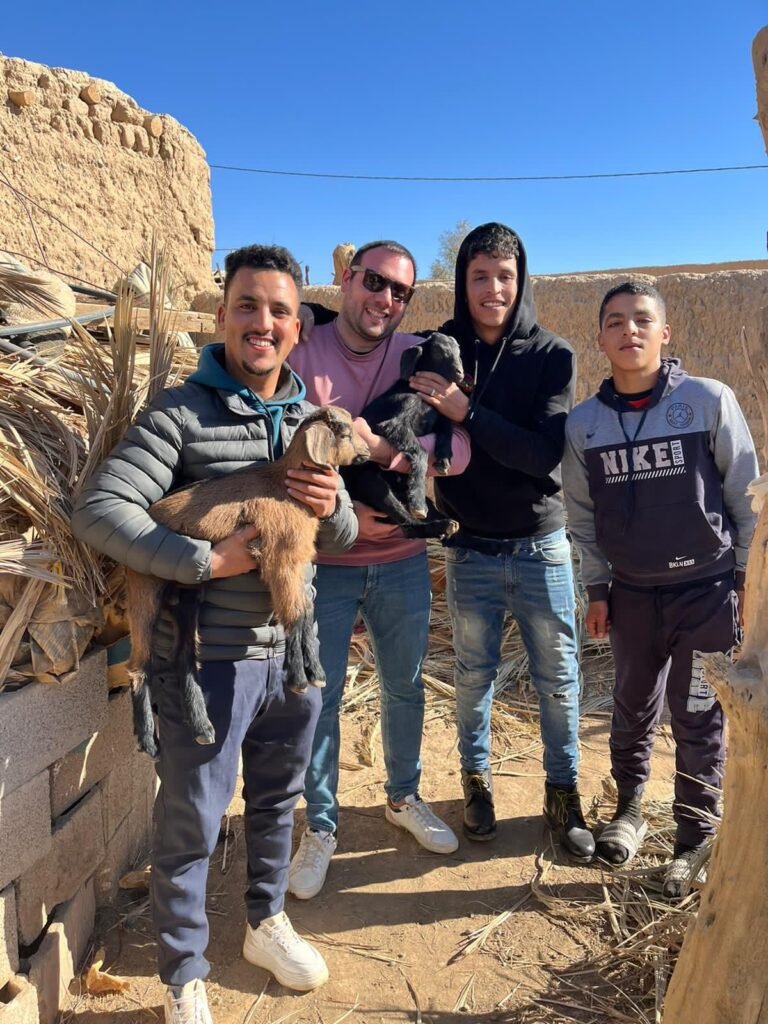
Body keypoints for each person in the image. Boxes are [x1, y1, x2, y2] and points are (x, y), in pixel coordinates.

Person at [71, 244, 359, 1022]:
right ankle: (183, 973)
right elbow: (99, 510)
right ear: (223, 315)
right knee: (193, 819)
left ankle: (266, 923)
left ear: (297, 328)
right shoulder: (179, 415)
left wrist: (333, 506)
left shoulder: (308, 421)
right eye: (247, 306)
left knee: (276, 801)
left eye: (278, 311)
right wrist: (206, 560)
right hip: (207, 662)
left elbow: (339, 536)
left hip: (292, 658)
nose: (263, 323)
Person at [562, 279, 758, 896]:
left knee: (698, 715)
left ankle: (693, 838)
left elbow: (745, 496)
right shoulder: (584, 425)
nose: (630, 330)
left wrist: (748, 581)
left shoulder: (707, 400)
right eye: (615, 321)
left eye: (642, 319)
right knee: (631, 708)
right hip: (632, 597)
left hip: (707, 593)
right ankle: (629, 810)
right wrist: (597, 589)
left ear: (665, 333)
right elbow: (582, 516)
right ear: (600, 339)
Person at [287, 240, 469, 900]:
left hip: (401, 561)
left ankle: (403, 797)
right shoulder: (301, 346)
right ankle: (321, 825)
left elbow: (459, 449)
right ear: (345, 277)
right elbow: (282, 439)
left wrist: (386, 454)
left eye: (400, 291)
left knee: (406, 686)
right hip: (325, 562)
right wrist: (344, 517)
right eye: (373, 281)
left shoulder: (420, 355)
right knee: (321, 696)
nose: (384, 299)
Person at [407, 222, 594, 860]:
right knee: (472, 677)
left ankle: (563, 792)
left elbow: (541, 456)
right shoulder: (441, 348)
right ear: (463, 282)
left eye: (505, 277)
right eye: (480, 276)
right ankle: (476, 781)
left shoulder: (552, 356)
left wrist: (467, 414)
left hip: (541, 546)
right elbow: (381, 356)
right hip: (469, 547)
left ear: (522, 281)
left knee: (558, 679)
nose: (493, 289)